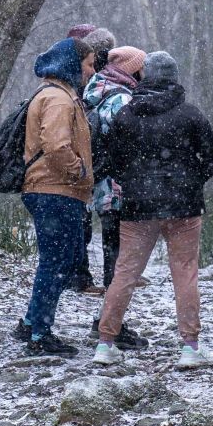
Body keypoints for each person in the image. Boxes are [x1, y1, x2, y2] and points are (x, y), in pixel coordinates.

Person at [92, 51, 213, 369]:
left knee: (124, 273)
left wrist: (135, 185)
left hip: (137, 207)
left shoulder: (126, 116)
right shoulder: (190, 115)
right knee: (185, 272)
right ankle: (190, 347)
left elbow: (111, 163)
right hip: (184, 206)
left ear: (144, 77)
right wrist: (190, 181)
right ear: (174, 78)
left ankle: (106, 342)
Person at [13, 37, 96, 355]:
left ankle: (32, 323)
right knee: (56, 264)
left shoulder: (58, 95)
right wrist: (81, 172)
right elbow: (57, 146)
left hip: (53, 190)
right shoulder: (60, 100)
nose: (91, 71)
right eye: (88, 64)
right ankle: (40, 335)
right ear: (73, 64)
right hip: (55, 190)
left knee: (57, 261)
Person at [83, 45, 150, 350]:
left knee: (115, 257)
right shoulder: (121, 98)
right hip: (117, 189)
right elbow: (130, 144)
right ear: (132, 69)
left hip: (101, 187)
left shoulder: (96, 90)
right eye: (141, 67)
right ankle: (111, 324)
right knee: (119, 262)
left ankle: (106, 320)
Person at [65, 23, 117, 295]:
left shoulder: (84, 81)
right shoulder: (74, 84)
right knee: (82, 225)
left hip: (91, 161)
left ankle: (84, 276)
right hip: (84, 163)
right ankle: (80, 277)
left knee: (89, 222)